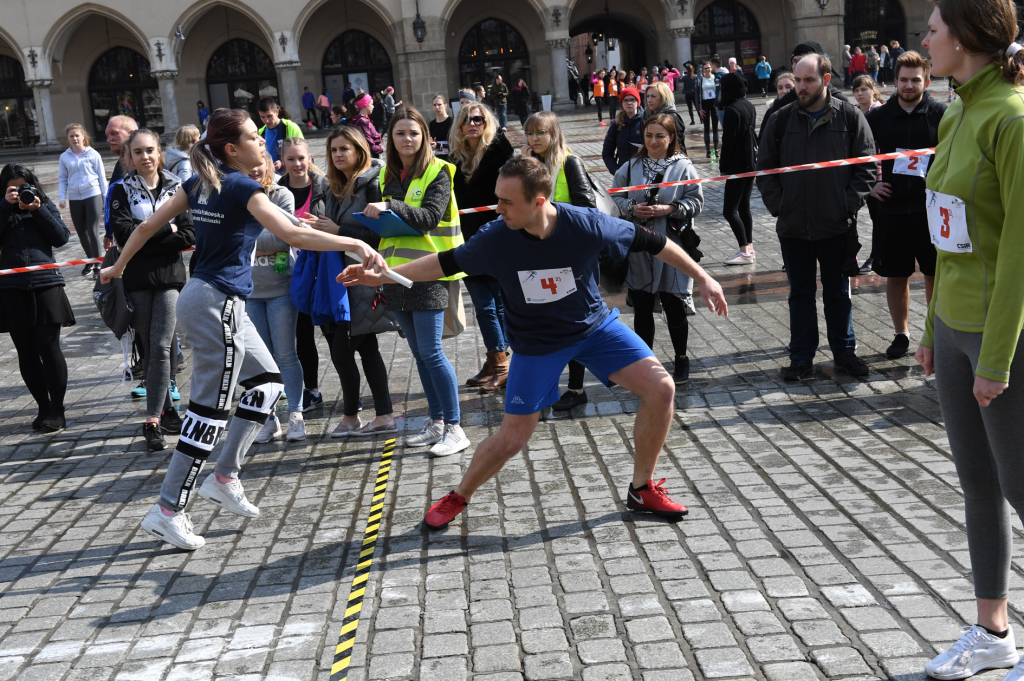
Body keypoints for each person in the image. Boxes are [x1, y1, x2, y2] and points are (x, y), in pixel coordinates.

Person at [339, 155, 729, 530]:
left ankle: (642, 489)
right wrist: (383, 275)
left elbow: (654, 243)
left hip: (594, 329)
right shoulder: (496, 238)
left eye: (507, 201)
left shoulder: (587, 224)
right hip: (536, 345)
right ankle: (459, 494)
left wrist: (704, 278)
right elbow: (446, 263)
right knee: (513, 438)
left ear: (539, 201)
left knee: (662, 388)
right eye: (497, 199)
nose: (497, 209)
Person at [99, 107, 388, 551]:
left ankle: (224, 475)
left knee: (269, 386)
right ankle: (168, 510)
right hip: (215, 304)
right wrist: (354, 241)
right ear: (233, 149)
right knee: (208, 411)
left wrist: (118, 264)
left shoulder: (201, 183)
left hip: (211, 299)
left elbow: (146, 225)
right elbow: (294, 236)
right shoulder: (238, 186)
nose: (262, 141)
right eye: (255, 136)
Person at [915, 0, 1024, 678]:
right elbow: (946, 237)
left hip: (999, 334)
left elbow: (1018, 249)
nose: (923, 39)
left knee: (1021, 483)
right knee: (977, 482)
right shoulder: (955, 110)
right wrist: (929, 327)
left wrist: (997, 355)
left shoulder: (1011, 119)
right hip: (953, 326)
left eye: (931, 28)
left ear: (966, 35)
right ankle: (993, 632)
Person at [756, 53, 876, 381]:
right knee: (800, 294)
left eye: (808, 80)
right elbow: (764, 169)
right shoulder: (780, 120)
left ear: (825, 79)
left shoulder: (850, 117)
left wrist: (845, 206)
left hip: (836, 226)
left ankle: (845, 354)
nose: (801, 86)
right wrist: (781, 206)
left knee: (838, 293)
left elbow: (867, 168)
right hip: (794, 227)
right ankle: (801, 358)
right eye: (797, 80)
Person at [364, 105, 470, 456]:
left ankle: (455, 427)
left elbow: (428, 217)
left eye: (413, 132)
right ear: (390, 139)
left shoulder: (438, 170)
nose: (407, 139)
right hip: (395, 275)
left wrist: (390, 205)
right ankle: (437, 422)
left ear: (425, 136)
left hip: (429, 272)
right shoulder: (387, 174)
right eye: (400, 133)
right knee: (419, 355)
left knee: (432, 352)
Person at [302, 126, 397, 437]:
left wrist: (337, 230)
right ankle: (381, 414)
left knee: (344, 349)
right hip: (335, 278)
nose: (338, 154)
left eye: (345, 148)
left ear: (359, 151)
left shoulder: (371, 184)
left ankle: (352, 415)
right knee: (365, 347)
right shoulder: (333, 187)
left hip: (360, 277)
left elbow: (377, 236)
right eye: (333, 150)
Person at [109, 128, 194, 451]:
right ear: (129, 157)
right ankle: (169, 409)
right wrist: (164, 229)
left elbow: (188, 234)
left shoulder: (177, 187)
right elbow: (122, 232)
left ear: (160, 153)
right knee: (148, 345)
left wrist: (144, 234)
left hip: (170, 276)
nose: (145, 157)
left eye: (150, 150)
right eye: (138, 152)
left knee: (160, 345)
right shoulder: (121, 190)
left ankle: (152, 419)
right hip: (137, 278)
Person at [864, 50, 946, 359]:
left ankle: (936, 334)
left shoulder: (942, 114)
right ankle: (902, 334)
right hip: (893, 210)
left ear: (926, 80)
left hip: (934, 210)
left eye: (915, 80)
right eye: (903, 80)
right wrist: (871, 184)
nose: (909, 86)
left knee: (934, 275)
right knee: (896, 276)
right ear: (894, 81)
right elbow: (858, 155)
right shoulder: (878, 117)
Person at [613, 114, 703, 384]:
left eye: (660, 136)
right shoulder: (631, 166)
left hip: (672, 246)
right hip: (639, 247)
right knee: (641, 309)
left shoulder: (683, 167)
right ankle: (646, 363)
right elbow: (615, 193)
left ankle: (681, 360)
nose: (653, 141)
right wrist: (631, 208)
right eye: (649, 135)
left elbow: (696, 202)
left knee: (674, 306)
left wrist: (669, 209)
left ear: (672, 137)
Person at [523, 110, 598, 409]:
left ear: (554, 133)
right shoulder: (532, 165)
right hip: (539, 254)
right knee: (545, 322)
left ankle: (577, 389)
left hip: (569, 254)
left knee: (571, 322)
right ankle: (548, 387)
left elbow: (586, 205)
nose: (535, 138)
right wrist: (524, 164)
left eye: (541, 132)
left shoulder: (569, 161)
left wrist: (555, 216)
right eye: (530, 133)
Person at [0, 164, 75, 432]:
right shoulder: (2, 208)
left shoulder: (41, 203)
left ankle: (58, 409)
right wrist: (6, 207)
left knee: (48, 345)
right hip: (11, 287)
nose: (20, 192)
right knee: (26, 351)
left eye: (24, 186)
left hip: (46, 284)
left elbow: (61, 237)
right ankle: (43, 406)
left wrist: (37, 209)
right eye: (13, 188)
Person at [447, 102, 514, 392]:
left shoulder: (501, 154)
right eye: (466, 120)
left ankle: (500, 363)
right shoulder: (454, 159)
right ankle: (496, 360)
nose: (473, 123)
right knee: (484, 303)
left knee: (495, 304)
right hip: (467, 239)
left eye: (479, 119)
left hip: (498, 236)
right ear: (459, 127)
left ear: (487, 123)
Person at [242, 149, 305, 444]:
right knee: (261, 361)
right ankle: (268, 419)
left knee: (285, 354)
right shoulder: (239, 194)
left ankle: (296, 415)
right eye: (249, 165)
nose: (255, 169)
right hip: (250, 291)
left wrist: (252, 241)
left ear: (269, 164)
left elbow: (284, 237)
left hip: (280, 288)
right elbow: (239, 239)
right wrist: (264, 239)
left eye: (260, 164)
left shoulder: (281, 195)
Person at [276, 137, 329, 414]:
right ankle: (311, 390)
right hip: (288, 272)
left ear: (310, 157)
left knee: (334, 335)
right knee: (301, 336)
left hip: (321, 271)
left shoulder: (324, 187)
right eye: (291, 159)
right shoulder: (275, 191)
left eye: (301, 158)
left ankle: (346, 391)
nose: (297, 164)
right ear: (282, 161)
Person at [58, 123, 107, 277]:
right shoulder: (64, 157)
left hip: (93, 194)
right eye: (71, 136)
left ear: (83, 136)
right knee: (81, 232)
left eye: (77, 135)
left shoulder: (93, 154)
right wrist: (62, 197)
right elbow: (62, 178)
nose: (74, 138)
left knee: (92, 230)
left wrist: (105, 198)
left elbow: (101, 177)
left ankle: (98, 264)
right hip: (75, 197)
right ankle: (90, 262)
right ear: (68, 138)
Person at [719, 72, 757, 266]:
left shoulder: (732, 110)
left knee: (729, 210)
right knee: (744, 206)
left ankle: (744, 250)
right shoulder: (748, 105)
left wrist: (723, 166)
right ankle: (749, 247)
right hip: (750, 161)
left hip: (737, 165)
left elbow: (728, 142)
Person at [603, 85, 644, 174]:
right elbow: (607, 153)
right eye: (625, 100)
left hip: (644, 172)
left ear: (638, 102)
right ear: (621, 103)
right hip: (624, 173)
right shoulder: (616, 126)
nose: (629, 103)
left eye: (632, 100)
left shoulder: (646, 123)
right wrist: (616, 171)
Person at [257, 98, 305, 171]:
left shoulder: (291, 127)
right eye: (262, 117)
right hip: (271, 176)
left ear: (277, 112)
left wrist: (283, 162)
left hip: (291, 174)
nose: (266, 120)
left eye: (269, 116)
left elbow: (302, 153)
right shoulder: (261, 132)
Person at [107, 115, 138, 184]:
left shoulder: (145, 161)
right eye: (107, 135)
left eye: (114, 133)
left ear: (131, 133)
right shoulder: (121, 161)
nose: (109, 139)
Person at [697, 62, 720, 157]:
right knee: (706, 128)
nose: (707, 69)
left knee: (715, 128)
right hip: (705, 104)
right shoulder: (700, 80)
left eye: (709, 68)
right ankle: (708, 151)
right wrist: (699, 108)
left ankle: (716, 150)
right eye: (705, 68)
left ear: (711, 68)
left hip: (714, 104)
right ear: (703, 70)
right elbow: (696, 95)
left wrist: (719, 105)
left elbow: (719, 92)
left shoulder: (716, 78)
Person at [429, 94, 453, 160]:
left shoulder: (452, 122)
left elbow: (456, 144)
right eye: (434, 105)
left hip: (451, 159)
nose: (437, 107)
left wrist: (439, 145)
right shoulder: (432, 124)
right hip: (437, 159)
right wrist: (432, 145)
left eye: (439, 105)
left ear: (445, 105)